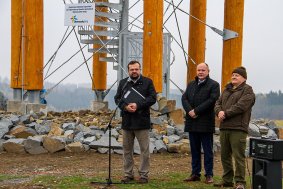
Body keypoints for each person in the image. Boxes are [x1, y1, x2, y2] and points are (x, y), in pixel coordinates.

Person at [114, 60, 157, 184]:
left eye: (136, 69)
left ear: (140, 69)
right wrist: (125, 107)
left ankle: (144, 175)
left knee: (144, 150)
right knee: (127, 150)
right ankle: (128, 174)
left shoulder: (148, 82)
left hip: (142, 121)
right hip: (127, 121)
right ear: (128, 70)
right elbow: (117, 98)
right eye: (132, 69)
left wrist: (137, 105)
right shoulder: (123, 83)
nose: (134, 71)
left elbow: (152, 98)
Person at [214, 66, 255, 189]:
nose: (233, 76)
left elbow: (241, 106)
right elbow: (217, 103)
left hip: (238, 128)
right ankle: (227, 180)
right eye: (233, 74)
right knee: (225, 156)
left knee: (238, 156)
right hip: (224, 127)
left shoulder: (248, 91)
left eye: (237, 75)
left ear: (244, 78)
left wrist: (225, 113)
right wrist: (219, 112)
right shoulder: (227, 89)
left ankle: (240, 182)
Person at [181, 63, 220, 184]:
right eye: (199, 70)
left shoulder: (214, 85)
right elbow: (184, 98)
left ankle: (209, 174)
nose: (200, 72)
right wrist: (190, 111)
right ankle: (195, 173)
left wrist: (196, 111)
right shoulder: (191, 84)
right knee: (194, 150)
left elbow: (212, 100)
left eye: (203, 70)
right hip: (192, 122)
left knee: (208, 150)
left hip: (205, 122)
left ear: (208, 71)